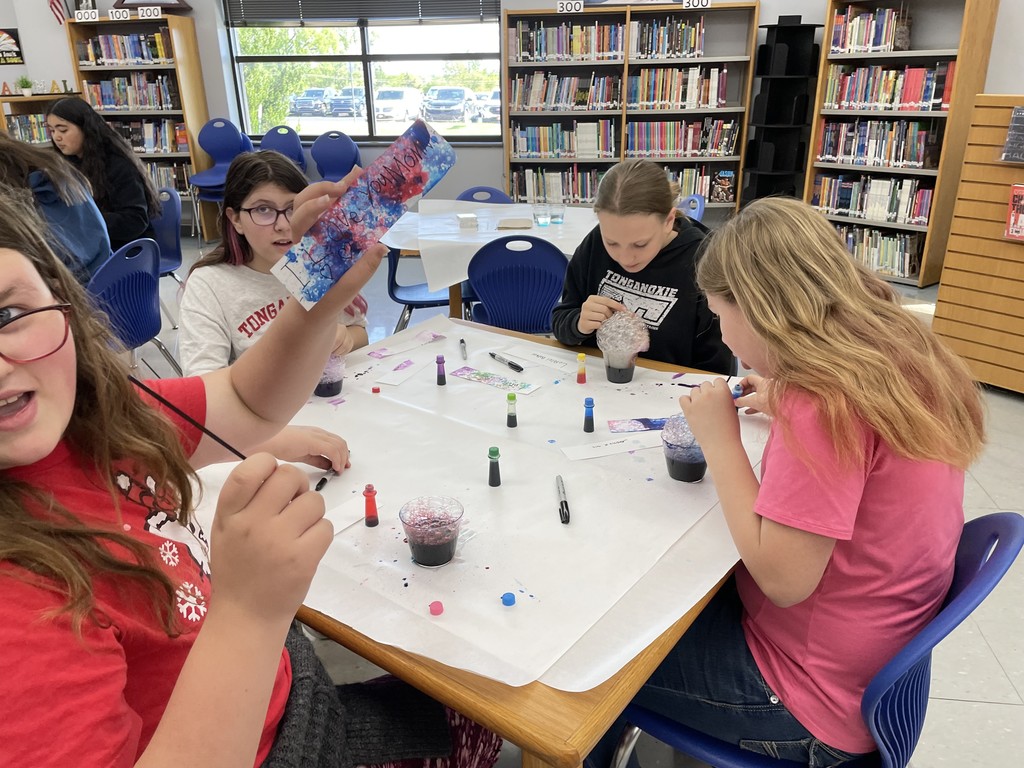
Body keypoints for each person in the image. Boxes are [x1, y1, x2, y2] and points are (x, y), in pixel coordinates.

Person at [0, 185, 502, 768]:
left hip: (279, 689)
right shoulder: (18, 611)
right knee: (478, 725)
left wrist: (318, 298)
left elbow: (245, 400)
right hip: (271, 740)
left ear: (60, 296)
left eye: (7, 315)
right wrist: (249, 612)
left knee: (472, 703)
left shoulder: (99, 418)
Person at [587, 197, 986, 768]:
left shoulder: (821, 399)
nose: (724, 339)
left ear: (762, 311)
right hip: (870, 660)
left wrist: (720, 438)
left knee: (589, 656)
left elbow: (781, 580)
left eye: (721, 316)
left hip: (804, 697)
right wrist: (783, 395)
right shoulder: (895, 347)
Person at [178, 150, 369, 465]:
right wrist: (275, 441)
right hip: (256, 439)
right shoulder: (210, 284)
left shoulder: (318, 266)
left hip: (334, 413)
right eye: (263, 210)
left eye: (292, 208)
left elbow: (360, 331)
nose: (283, 225)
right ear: (235, 219)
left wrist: (345, 337)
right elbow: (203, 393)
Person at [551, 159, 733, 375]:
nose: (625, 258)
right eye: (612, 243)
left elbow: (717, 367)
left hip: (671, 388)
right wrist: (578, 324)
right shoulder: (595, 243)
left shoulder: (705, 261)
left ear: (668, 220)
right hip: (598, 380)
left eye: (640, 244)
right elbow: (561, 320)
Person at [45, 96, 161, 251]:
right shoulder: (65, 164)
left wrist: (85, 219)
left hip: (125, 249)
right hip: (89, 245)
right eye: (52, 130)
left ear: (85, 128)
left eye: (63, 130)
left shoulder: (119, 165)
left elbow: (135, 221)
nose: (57, 137)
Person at [0, 130, 110, 281]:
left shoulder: (22, 200)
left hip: (77, 286)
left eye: (63, 129)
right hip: (108, 271)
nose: (57, 136)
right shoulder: (60, 171)